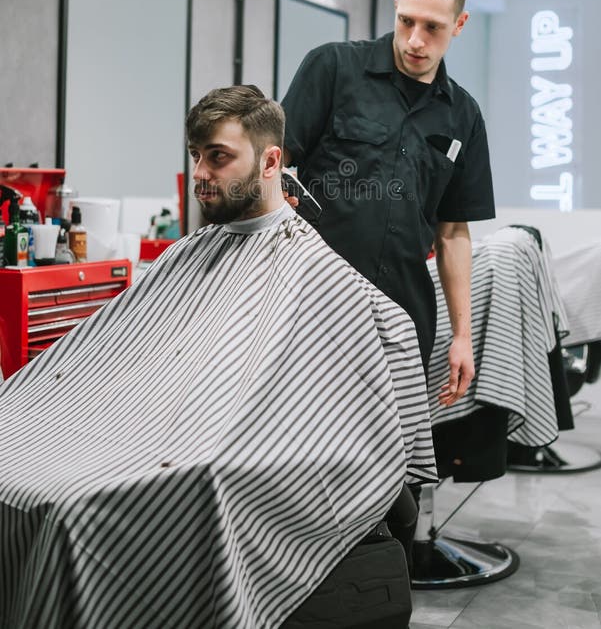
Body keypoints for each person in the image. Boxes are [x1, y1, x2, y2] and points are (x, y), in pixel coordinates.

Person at [0, 85, 436, 629]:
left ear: (271, 160)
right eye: (196, 156)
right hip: (143, 428)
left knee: (69, 511)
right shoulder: (190, 252)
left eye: (219, 157)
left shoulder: (311, 270)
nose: (201, 174)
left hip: (209, 449)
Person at [282, 0, 496, 406]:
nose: (415, 40)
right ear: (395, 7)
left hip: (403, 315)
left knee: (391, 453)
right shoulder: (332, 69)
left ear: (459, 24)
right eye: (406, 21)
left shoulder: (464, 115)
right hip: (315, 303)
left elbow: (455, 232)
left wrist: (462, 336)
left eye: (433, 27)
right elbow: (272, 168)